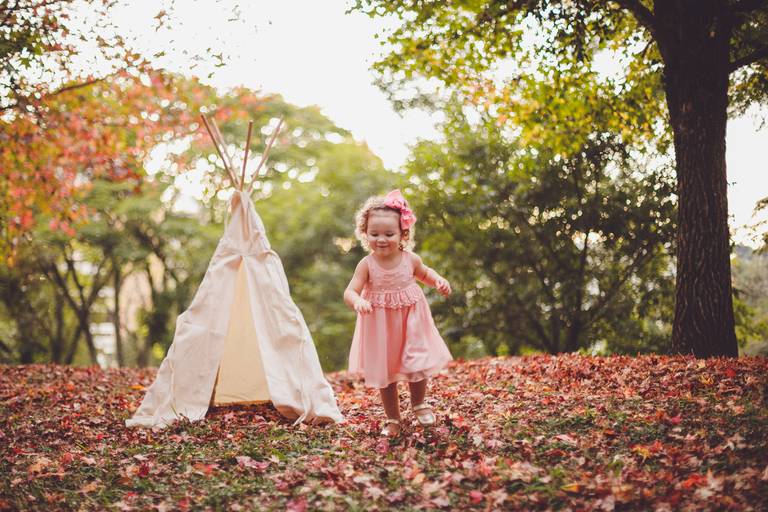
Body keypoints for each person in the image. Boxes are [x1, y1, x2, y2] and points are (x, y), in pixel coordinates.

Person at [344, 189, 453, 437]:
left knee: (417, 360)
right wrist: (358, 302)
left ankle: (419, 403)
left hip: (411, 318)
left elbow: (425, 273)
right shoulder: (366, 264)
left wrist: (438, 281)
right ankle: (392, 418)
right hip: (381, 323)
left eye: (389, 234)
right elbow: (349, 291)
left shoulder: (409, 259)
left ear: (403, 233)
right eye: (374, 234)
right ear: (365, 233)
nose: (381, 239)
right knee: (386, 370)